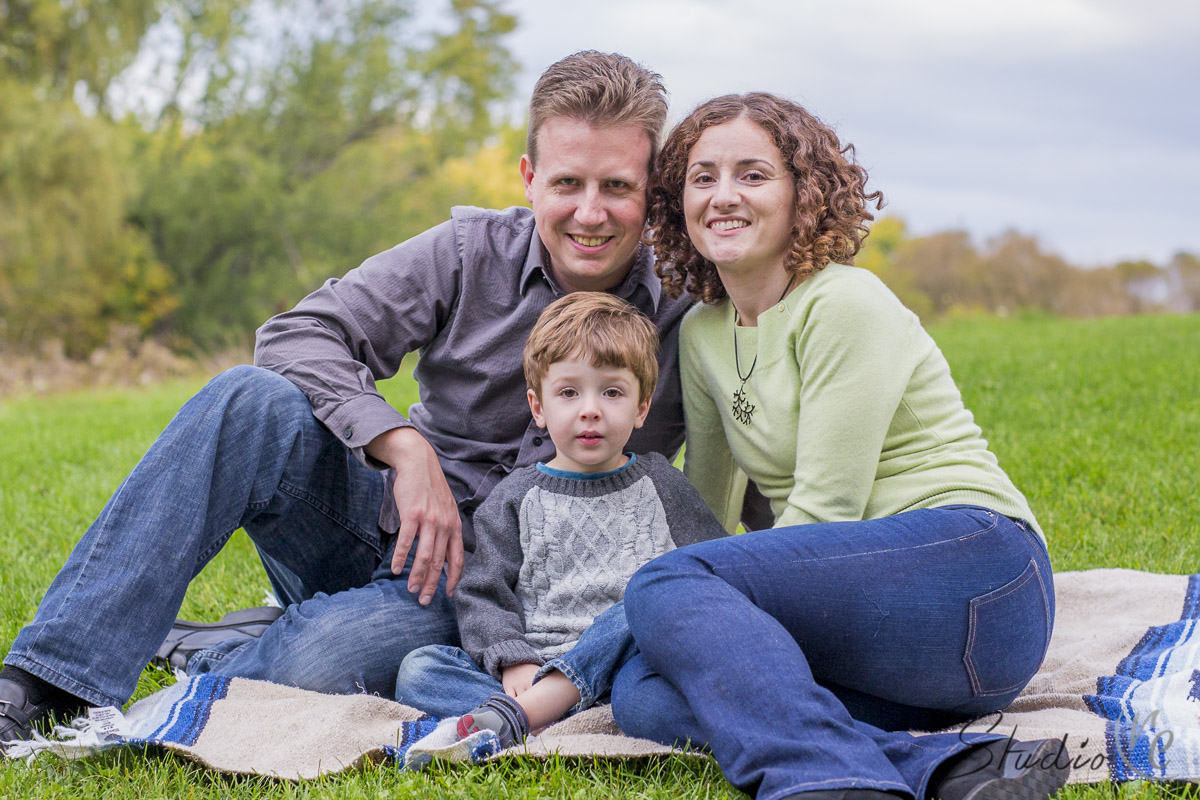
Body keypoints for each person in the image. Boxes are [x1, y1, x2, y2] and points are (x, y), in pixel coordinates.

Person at [0, 51, 695, 745]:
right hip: (378, 519)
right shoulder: (466, 250)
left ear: (653, 190)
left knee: (318, 659)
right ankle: (49, 679)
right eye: (568, 182)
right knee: (250, 399)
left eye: (617, 186)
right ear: (529, 177)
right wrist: (402, 445)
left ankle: (221, 652)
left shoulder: (688, 306)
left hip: (491, 598)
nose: (590, 212)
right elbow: (299, 333)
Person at [609, 93, 1069, 800]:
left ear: (805, 194)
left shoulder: (845, 303)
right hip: (890, 649)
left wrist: (648, 613)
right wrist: (662, 626)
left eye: (753, 175)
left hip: (980, 577)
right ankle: (944, 768)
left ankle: (819, 782)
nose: (723, 196)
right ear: (678, 202)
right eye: (703, 178)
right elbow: (704, 519)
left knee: (666, 589)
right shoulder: (703, 333)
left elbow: (825, 513)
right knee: (643, 689)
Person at [393, 292, 726, 747]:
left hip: (632, 664)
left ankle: (529, 719)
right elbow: (482, 594)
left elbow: (710, 573)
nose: (590, 409)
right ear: (539, 407)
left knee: (650, 598)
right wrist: (513, 659)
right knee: (421, 668)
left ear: (642, 407)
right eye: (569, 392)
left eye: (612, 392)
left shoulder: (663, 486)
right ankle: (541, 713)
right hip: (536, 667)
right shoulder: (515, 497)